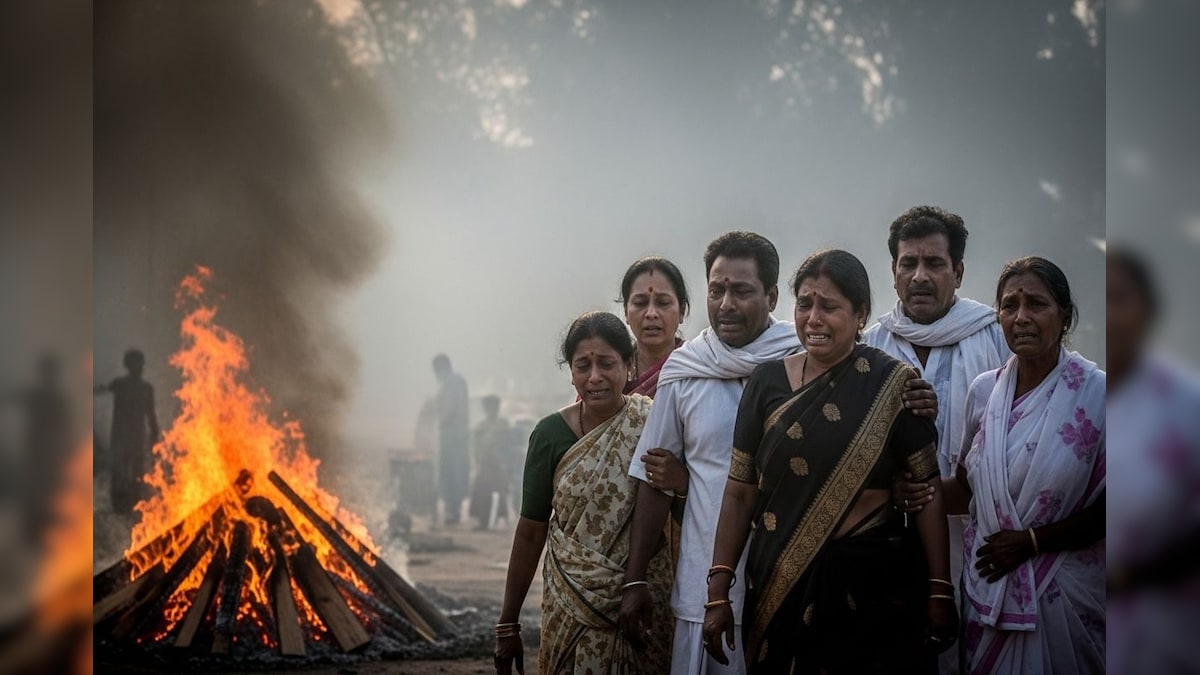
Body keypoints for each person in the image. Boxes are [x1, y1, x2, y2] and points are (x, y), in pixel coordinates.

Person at [619, 232, 941, 674]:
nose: (727, 303)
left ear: (770, 296)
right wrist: (639, 576)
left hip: (842, 575)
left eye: (742, 291)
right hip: (728, 575)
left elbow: (892, 443)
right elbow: (680, 485)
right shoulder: (694, 370)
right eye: (717, 290)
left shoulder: (837, 361)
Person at [703, 249, 956, 673]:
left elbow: (928, 492)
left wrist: (940, 589)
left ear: (860, 315)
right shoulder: (766, 384)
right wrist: (717, 592)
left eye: (829, 306)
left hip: (875, 587)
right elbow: (740, 492)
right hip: (779, 583)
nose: (813, 318)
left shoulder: (895, 385)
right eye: (804, 304)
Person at [904, 256, 1106, 673]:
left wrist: (1033, 541)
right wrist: (912, 494)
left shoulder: (1099, 396)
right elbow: (968, 488)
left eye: (1037, 304)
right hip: (987, 591)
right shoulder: (985, 392)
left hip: (1067, 594)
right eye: (1010, 306)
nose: (1022, 317)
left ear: (1064, 316)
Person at [864, 206, 1009, 675]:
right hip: (886, 544)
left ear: (959, 271)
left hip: (984, 545)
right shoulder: (869, 347)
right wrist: (892, 486)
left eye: (934, 263)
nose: (920, 276)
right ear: (893, 271)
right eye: (909, 263)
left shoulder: (998, 339)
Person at [494, 312, 673, 674]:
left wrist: (680, 480)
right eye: (582, 366)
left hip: (640, 600)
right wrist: (508, 622)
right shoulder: (549, 435)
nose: (595, 377)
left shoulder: (655, 423)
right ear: (571, 372)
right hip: (569, 604)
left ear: (629, 364)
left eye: (606, 363)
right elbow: (531, 532)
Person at [1105, 246, 1200, 674]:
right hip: (1082, 602)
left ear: (1148, 310)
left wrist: (1129, 577)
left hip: (1168, 616)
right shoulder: (1082, 392)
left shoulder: (1185, 403)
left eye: (1119, 297)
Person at [619, 255, 691, 564]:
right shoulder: (608, 373)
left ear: (682, 311)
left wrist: (683, 480)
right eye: (639, 303)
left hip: (678, 533)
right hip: (608, 533)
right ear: (625, 312)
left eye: (663, 302)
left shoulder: (698, 373)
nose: (651, 314)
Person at [94, 348, 160, 515]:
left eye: (138, 363)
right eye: (134, 363)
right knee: (119, 472)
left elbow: (151, 415)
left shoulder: (143, 388)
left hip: (134, 439)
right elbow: (100, 390)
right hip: (122, 438)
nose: (137, 367)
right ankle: (120, 507)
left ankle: (133, 507)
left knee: (135, 472)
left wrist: (154, 437)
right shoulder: (121, 385)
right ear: (128, 365)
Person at [432, 353, 469, 525]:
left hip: (455, 436)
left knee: (453, 472)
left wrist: (441, 421)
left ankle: (453, 511)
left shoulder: (453, 382)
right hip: (451, 435)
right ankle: (451, 510)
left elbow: (453, 407)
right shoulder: (450, 382)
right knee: (449, 472)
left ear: (440, 367)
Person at [469, 395, 512, 530]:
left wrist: (504, 462)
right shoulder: (481, 426)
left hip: (498, 464)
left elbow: (507, 445)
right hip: (485, 463)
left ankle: (499, 518)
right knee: (481, 490)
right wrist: (478, 461)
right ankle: (482, 520)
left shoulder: (502, 425)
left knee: (500, 490)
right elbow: (476, 446)